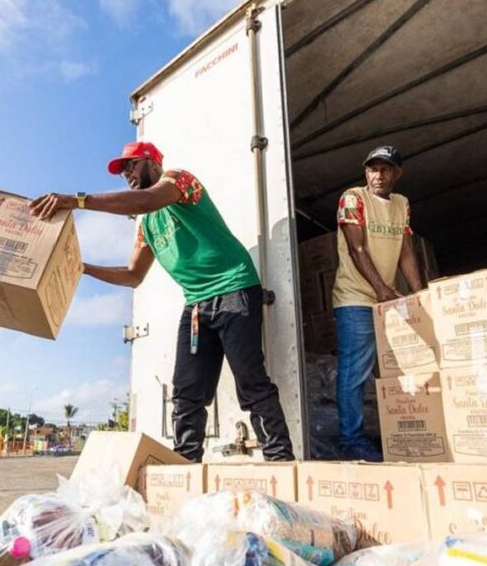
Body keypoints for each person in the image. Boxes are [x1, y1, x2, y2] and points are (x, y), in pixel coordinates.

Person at [29, 141, 295, 462]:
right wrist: (81, 268)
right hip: (197, 305)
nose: (127, 174)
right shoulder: (147, 227)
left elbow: (146, 199)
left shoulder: (180, 181)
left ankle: (281, 462)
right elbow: (132, 275)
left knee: (251, 382)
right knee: (186, 393)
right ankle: (184, 466)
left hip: (234, 289)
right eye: (122, 171)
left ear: (153, 162)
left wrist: (76, 200)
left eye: (132, 165)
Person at [331, 145, 424, 461]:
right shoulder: (354, 198)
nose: (378, 175)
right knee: (354, 371)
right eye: (372, 169)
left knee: (399, 370)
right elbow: (357, 248)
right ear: (365, 172)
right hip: (355, 298)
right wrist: (382, 289)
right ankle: (351, 440)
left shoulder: (401, 204)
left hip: (386, 298)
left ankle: (403, 433)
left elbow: (406, 251)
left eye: (385, 169)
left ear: (397, 173)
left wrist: (418, 293)